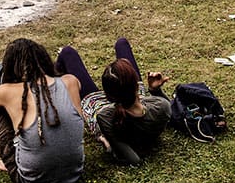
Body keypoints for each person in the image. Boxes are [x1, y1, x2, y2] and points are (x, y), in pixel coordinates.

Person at [0, 37, 85, 183]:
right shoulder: (70, 82)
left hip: (32, 181)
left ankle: (12, 160)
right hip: (74, 173)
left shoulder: (9, 92)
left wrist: (1, 95)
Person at [55, 38, 172, 166]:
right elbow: (169, 111)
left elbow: (132, 158)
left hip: (96, 105)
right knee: (121, 43)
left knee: (67, 52)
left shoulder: (104, 116)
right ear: (137, 85)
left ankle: (52, 85)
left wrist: (109, 146)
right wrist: (155, 91)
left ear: (108, 95)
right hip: (119, 103)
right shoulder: (161, 106)